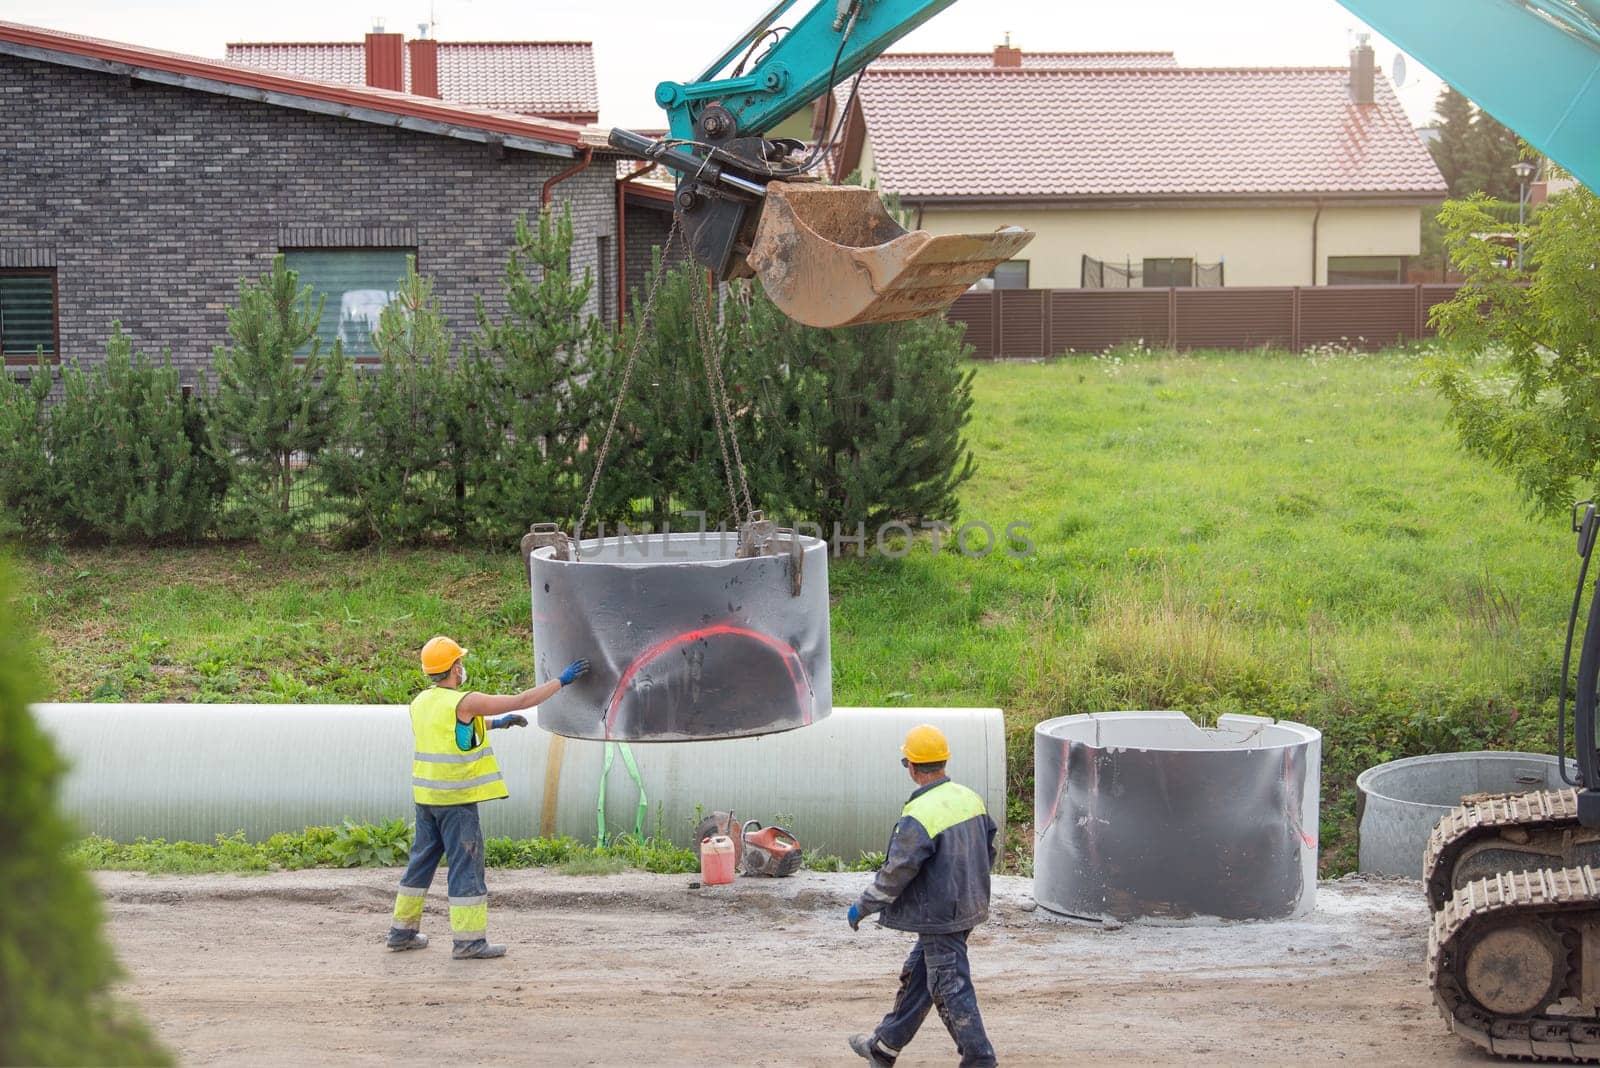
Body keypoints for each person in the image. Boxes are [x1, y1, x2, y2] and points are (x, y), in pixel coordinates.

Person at [385, 635, 589, 960]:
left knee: (420, 864)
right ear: (454, 668)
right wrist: (561, 681)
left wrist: (495, 724)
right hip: (456, 801)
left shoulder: (421, 702)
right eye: (459, 662)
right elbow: (522, 699)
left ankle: (401, 933)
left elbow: (452, 732)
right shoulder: (465, 701)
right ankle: (469, 942)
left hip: (427, 798)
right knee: (466, 867)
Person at [846, 724, 999, 1068]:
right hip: (968, 906)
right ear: (944, 761)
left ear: (911, 767)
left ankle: (980, 1061)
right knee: (918, 976)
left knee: (948, 985)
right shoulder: (969, 798)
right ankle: (883, 1047)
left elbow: (896, 872)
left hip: (940, 916)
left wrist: (863, 906)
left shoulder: (919, 814)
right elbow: (988, 850)